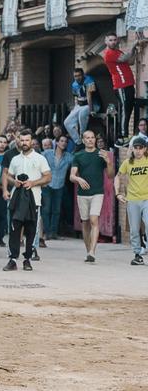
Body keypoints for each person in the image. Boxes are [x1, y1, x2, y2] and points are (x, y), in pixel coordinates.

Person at [2, 130, 51, 271]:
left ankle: (27, 259)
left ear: (31, 141)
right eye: (22, 140)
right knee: (14, 229)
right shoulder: (15, 159)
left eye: (27, 140)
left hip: (34, 199)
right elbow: (8, 176)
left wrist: (33, 183)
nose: (24, 143)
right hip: (16, 199)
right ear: (19, 141)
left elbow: (48, 177)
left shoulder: (40, 158)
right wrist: (14, 182)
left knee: (31, 230)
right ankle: (12, 259)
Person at [70, 130, 115, 262]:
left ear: (95, 140)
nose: (90, 140)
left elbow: (111, 175)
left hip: (97, 192)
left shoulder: (101, 154)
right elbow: (72, 176)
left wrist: (109, 162)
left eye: (92, 138)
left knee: (94, 220)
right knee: (85, 222)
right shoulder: (78, 155)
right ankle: (88, 250)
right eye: (87, 138)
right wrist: (79, 179)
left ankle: (92, 252)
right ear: (83, 140)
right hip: (82, 194)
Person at [114, 136, 148, 266]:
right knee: (134, 229)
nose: (138, 151)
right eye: (136, 148)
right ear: (132, 149)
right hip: (133, 199)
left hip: (146, 198)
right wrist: (118, 193)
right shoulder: (128, 163)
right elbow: (118, 177)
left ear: (145, 149)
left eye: (141, 148)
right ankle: (137, 254)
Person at [101, 33, 136, 142]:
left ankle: (124, 135)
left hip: (129, 84)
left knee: (129, 109)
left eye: (115, 40)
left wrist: (134, 51)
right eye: (110, 40)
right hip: (121, 85)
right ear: (106, 42)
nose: (113, 42)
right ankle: (122, 137)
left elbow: (130, 61)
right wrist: (133, 45)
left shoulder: (117, 52)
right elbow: (125, 58)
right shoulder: (108, 53)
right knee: (125, 110)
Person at [40, 134, 72, 242]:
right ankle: (46, 232)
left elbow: (77, 162)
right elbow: (36, 161)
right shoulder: (47, 153)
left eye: (65, 142)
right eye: (61, 141)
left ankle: (53, 233)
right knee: (46, 209)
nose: (63, 143)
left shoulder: (68, 156)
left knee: (56, 210)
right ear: (57, 143)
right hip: (47, 184)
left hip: (59, 185)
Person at [63, 68, 95, 146]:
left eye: (79, 75)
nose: (77, 78)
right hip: (80, 105)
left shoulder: (89, 80)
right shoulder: (74, 84)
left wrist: (91, 110)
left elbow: (89, 96)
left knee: (82, 114)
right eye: (75, 76)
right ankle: (79, 142)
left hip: (91, 104)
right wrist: (75, 108)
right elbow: (76, 97)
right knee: (67, 122)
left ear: (83, 75)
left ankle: (83, 136)